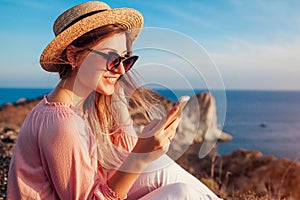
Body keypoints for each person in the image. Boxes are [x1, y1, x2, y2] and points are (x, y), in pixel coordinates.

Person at [7, 2, 221, 199]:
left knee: (165, 171)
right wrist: (140, 157)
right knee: (180, 193)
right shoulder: (63, 124)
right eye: (111, 58)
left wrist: (120, 108)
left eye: (126, 60)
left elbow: (122, 157)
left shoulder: (88, 104)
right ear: (73, 56)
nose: (120, 69)